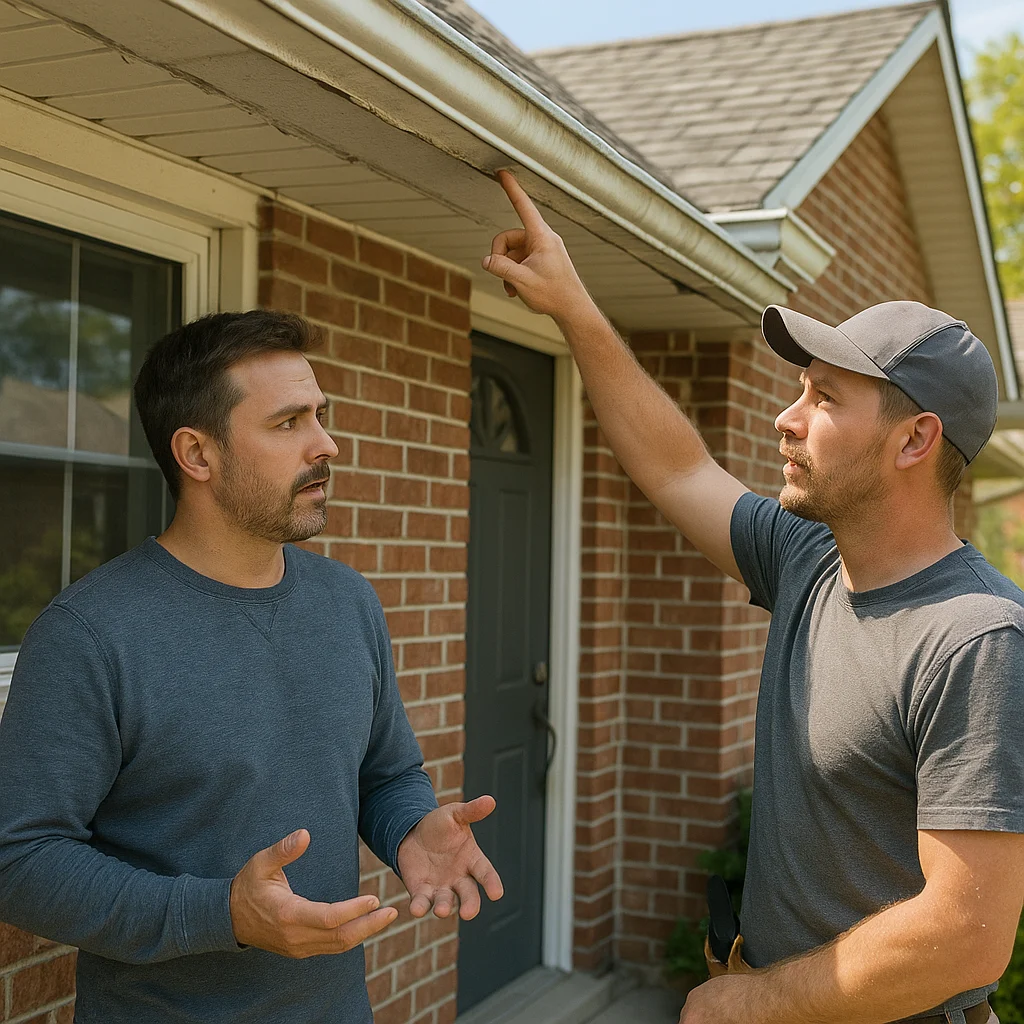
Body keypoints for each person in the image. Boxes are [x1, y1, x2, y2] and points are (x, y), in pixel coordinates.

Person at [481, 171, 1024, 1024]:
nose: (787, 416)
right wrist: (573, 308)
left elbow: (965, 933)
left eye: (825, 397)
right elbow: (677, 467)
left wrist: (746, 1004)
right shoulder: (809, 558)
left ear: (916, 439)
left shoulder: (974, 638)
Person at [0, 310, 503, 1024]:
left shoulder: (346, 602)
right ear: (197, 454)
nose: (326, 444)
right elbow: (19, 860)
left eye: (320, 416)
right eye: (288, 422)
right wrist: (223, 914)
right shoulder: (89, 634)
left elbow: (385, 774)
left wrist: (409, 828)